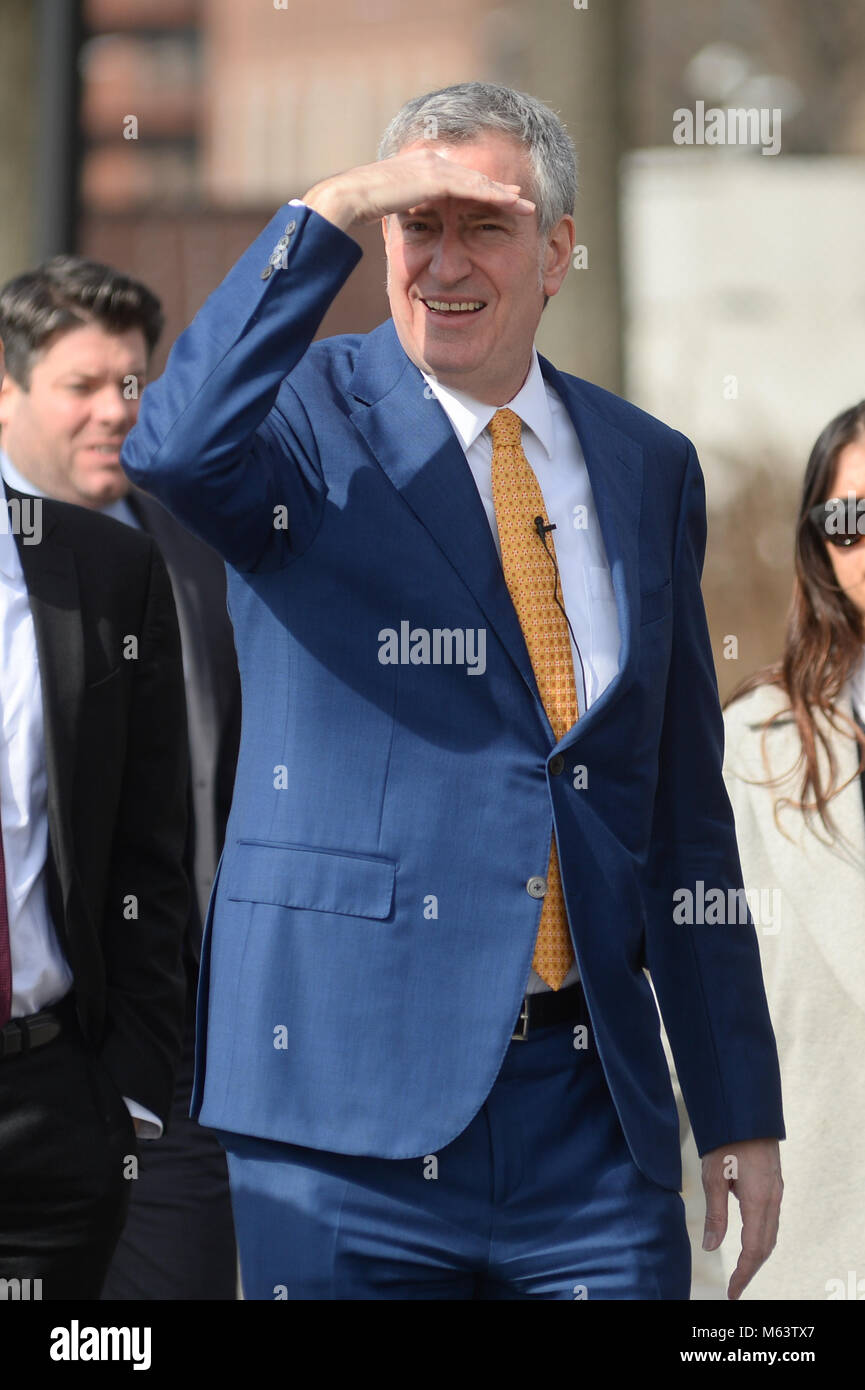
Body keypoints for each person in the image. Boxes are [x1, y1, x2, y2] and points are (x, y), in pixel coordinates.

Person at [122, 80, 785, 1301]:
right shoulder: (301, 422)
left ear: (558, 250)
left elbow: (684, 811)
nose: (442, 261)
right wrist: (326, 207)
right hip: (339, 1117)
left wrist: (738, 1100)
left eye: (485, 225)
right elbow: (168, 445)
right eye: (414, 224)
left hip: (592, 1130)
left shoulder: (647, 465)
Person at [0, 256, 240, 1300]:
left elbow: (157, 835)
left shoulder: (167, 558)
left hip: (125, 1059)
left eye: (130, 385)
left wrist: (132, 1085)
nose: (115, 413)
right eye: (82, 386)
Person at [677, 400, 865, 1300]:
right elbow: (692, 982)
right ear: (817, 542)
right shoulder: (753, 744)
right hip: (812, 1231)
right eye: (849, 517)